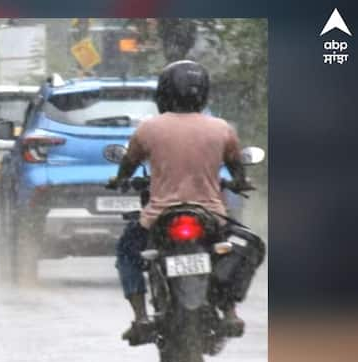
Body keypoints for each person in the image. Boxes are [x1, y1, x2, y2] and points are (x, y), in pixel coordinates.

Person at [107, 60, 253, 345]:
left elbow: (129, 164)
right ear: (203, 93)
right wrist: (240, 183)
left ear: (164, 93)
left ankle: (140, 317)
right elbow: (237, 168)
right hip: (211, 217)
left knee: (127, 251)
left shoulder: (148, 129)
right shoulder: (221, 128)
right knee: (241, 250)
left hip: (159, 217)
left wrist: (120, 179)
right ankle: (230, 309)